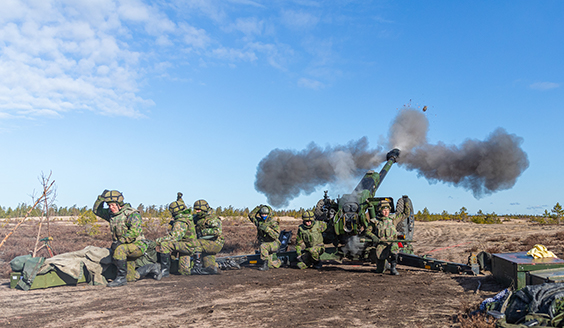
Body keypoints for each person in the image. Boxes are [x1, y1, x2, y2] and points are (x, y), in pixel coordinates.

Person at [93, 190, 160, 287]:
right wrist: (101, 199)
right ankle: (152, 268)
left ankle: (121, 279)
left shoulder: (132, 214)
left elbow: (134, 232)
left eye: (113, 205)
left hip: (138, 246)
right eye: (109, 206)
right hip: (125, 248)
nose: (111, 208)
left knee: (120, 249)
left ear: (119, 204)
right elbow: (97, 211)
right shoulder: (113, 215)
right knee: (131, 278)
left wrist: (121, 241)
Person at [156, 193, 199, 277]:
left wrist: (158, 241)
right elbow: (181, 205)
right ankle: (195, 265)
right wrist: (179, 198)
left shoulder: (181, 221)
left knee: (165, 245)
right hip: (188, 245)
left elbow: (174, 237)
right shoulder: (186, 215)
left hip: (187, 246)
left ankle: (165, 272)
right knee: (183, 271)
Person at [363, 200, 404, 275]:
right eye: (384, 210)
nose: (386, 212)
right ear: (380, 210)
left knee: (394, 250)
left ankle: (393, 268)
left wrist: (406, 202)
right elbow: (367, 231)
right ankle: (384, 265)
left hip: (391, 243)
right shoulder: (374, 221)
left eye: (387, 210)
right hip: (381, 245)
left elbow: (405, 214)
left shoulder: (393, 219)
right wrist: (374, 237)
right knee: (379, 271)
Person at [192, 199, 224, 274]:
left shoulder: (212, 218)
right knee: (209, 267)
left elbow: (217, 231)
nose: (197, 211)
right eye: (196, 210)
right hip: (206, 244)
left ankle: (197, 267)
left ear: (203, 209)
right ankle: (224, 264)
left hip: (215, 243)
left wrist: (203, 232)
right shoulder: (198, 218)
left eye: (198, 210)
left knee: (196, 243)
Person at [248, 204, 281, 271]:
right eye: (262, 214)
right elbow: (250, 215)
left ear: (268, 214)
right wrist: (258, 208)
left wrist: (267, 229)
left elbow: (276, 236)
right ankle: (271, 262)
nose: (263, 216)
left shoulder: (273, 223)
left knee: (263, 246)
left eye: (265, 214)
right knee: (272, 264)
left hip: (274, 243)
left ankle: (265, 265)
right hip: (265, 243)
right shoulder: (259, 222)